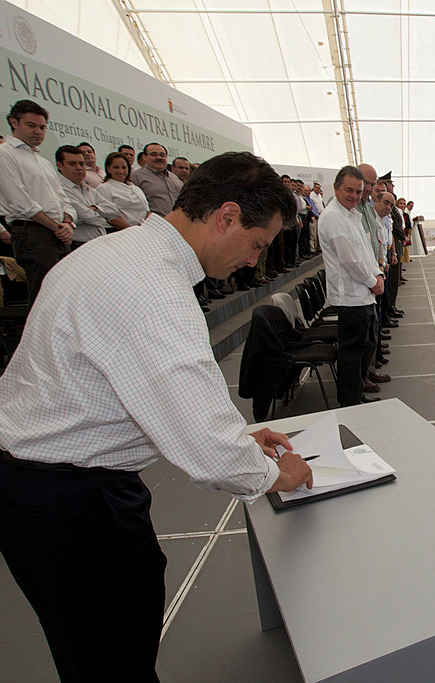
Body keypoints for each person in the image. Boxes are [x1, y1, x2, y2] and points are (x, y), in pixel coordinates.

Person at [0, 151, 313, 682]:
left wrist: (238, 435)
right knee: (111, 655)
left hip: (57, 483)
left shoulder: (121, 255)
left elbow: (152, 393)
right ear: (227, 217)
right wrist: (275, 472)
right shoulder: (151, 288)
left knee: (114, 638)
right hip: (66, 499)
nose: (254, 260)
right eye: (257, 245)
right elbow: (204, 443)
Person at [319, 165, 385, 407]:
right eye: (349, 190)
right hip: (351, 296)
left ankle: (356, 394)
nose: (355, 196)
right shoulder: (334, 217)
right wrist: (372, 282)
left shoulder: (351, 214)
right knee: (351, 355)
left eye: (358, 192)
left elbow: (366, 251)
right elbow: (349, 259)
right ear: (336, 188)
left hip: (363, 294)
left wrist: (377, 274)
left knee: (363, 348)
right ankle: (349, 404)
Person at [0, 100, 75, 307]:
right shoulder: (5, 154)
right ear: (14, 122)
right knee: (46, 299)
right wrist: (57, 226)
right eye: (31, 125)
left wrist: (68, 223)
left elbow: (63, 199)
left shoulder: (42, 161)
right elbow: (20, 202)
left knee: (64, 296)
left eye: (42, 127)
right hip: (32, 233)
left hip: (58, 233)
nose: (38, 132)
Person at [55, 145, 130, 248]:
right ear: (60, 166)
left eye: (81, 164)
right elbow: (83, 215)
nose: (79, 168)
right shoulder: (59, 188)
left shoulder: (89, 189)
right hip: (77, 245)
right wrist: (104, 219)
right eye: (72, 164)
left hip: (100, 243)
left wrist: (95, 208)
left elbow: (114, 209)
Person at [96, 152, 150, 226]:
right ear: (108, 169)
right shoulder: (104, 188)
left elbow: (147, 211)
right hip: (119, 232)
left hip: (141, 231)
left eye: (124, 167)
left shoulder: (136, 189)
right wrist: (131, 229)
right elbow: (109, 217)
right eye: (116, 167)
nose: (121, 171)